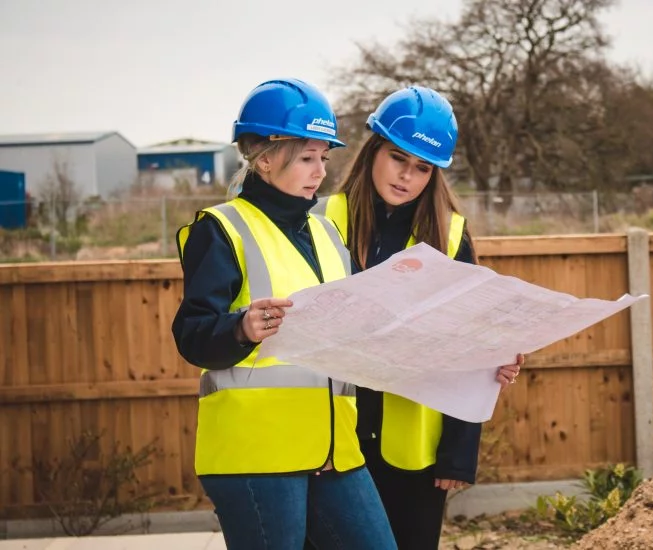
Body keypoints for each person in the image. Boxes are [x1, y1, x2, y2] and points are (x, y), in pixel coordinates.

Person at [171, 78, 397, 550]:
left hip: (335, 450)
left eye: (323, 159)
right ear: (265, 157)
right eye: (307, 157)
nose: (319, 171)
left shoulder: (328, 235)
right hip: (256, 456)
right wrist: (241, 326)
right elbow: (192, 337)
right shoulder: (221, 230)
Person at [312, 86, 523, 550]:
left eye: (422, 168)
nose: (407, 176)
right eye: (397, 158)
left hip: (414, 452)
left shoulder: (450, 236)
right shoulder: (323, 221)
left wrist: (457, 455)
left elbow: (473, 342)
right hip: (332, 440)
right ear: (372, 152)